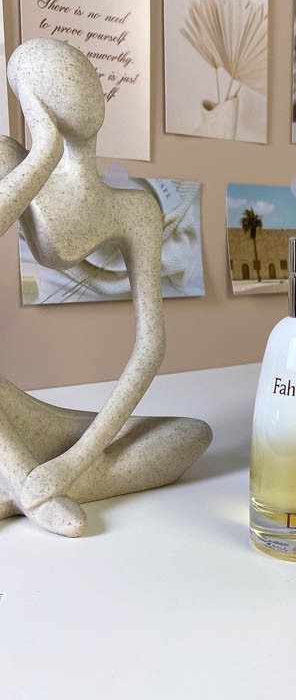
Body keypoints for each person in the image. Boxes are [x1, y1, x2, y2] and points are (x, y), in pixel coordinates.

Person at [0, 39, 210, 537]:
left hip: (50, 437)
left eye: (87, 78)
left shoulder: (134, 209)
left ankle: (22, 491)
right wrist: (44, 150)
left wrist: (72, 463)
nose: (85, 90)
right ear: (32, 99)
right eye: (59, 80)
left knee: (191, 435)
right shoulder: (12, 159)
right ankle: (27, 485)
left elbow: (151, 345)